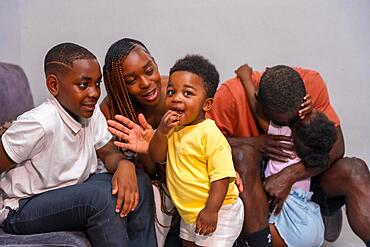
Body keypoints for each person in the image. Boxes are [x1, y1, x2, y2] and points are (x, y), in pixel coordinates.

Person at [0, 42, 156, 247]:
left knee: (139, 180)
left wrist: (124, 164)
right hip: (22, 208)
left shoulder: (91, 113)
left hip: (69, 192)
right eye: (84, 85)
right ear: (54, 85)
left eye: (97, 84)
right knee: (99, 199)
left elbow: (109, 153)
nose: (94, 93)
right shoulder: (39, 123)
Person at [207, 64, 370, 247]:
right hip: (254, 187)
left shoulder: (312, 83)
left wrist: (289, 175)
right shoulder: (231, 95)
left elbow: (337, 147)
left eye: (296, 119)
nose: (291, 127)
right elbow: (203, 142)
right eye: (282, 122)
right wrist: (253, 143)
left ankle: (321, 208)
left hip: (304, 186)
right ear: (261, 105)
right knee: (243, 155)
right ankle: (259, 239)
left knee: (354, 169)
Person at [147, 54, 243, 247]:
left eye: (188, 94)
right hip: (190, 211)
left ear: (206, 104)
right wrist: (162, 132)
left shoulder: (210, 134)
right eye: (171, 92)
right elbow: (156, 156)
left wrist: (211, 211)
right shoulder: (172, 128)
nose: (177, 99)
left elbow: (221, 178)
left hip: (219, 209)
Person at [101, 38, 179, 247]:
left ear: (154, 62)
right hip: (151, 181)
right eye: (131, 80)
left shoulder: (176, 94)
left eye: (148, 70)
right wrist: (137, 156)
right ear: (119, 85)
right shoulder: (111, 110)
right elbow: (106, 151)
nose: (145, 83)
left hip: (182, 176)